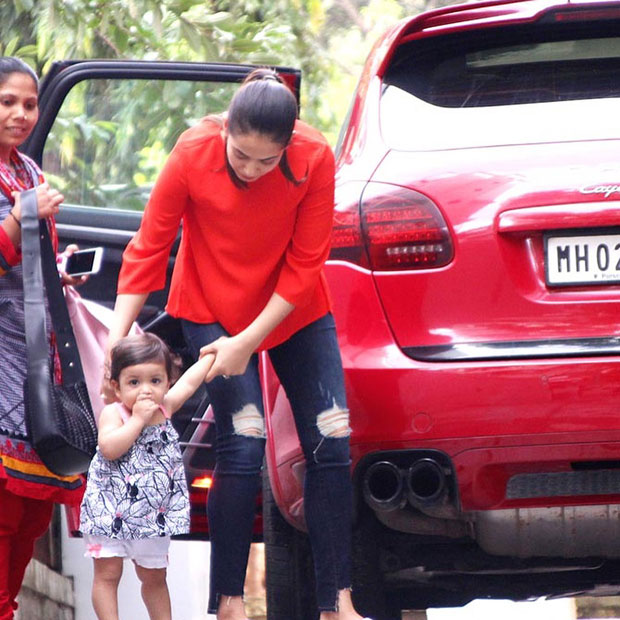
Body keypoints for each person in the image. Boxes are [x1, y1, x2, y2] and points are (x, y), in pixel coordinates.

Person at [103, 68, 370, 620]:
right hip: (210, 306)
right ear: (226, 128)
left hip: (293, 309)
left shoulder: (315, 158)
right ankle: (229, 602)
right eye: (240, 155)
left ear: (288, 146)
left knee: (332, 441)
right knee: (243, 444)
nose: (250, 170)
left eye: (265, 161)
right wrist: (116, 343)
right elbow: (150, 246)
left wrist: (251, 341)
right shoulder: (193, 151)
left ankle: (336, 602)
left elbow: (305, 265)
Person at [0, 56, 85, 620]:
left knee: (31, 511)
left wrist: (58, 270)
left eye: (29, 103)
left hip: (33, 344)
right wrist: (21, 217)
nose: (21, 113)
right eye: (8, 101)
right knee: (5, 504)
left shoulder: (29, 171)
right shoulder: (25, 188)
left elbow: (29, 257)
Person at [80, 332, 214, 620]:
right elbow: (109, 448)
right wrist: (138, 419)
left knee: (154, 576)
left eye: (155, 381)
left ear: (167, 382)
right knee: (108, 573)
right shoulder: (113, 414)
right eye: (134, 382)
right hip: (109, 508)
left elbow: (190, 382)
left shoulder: (165, 407)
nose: (145, 391)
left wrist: (210, 357)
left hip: (152, 514)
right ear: (116, 387)